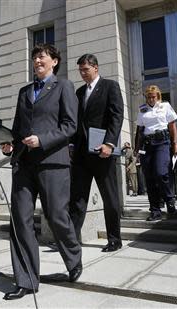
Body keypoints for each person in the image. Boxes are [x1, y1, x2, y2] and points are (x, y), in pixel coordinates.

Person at [1, 44, 82, 300]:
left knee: (56, 216)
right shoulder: (24, 91)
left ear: (54, 62)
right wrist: (9, 144)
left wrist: (43, 139)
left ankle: (73, 257)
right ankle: (26, 280)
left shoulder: (63, 87)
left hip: (52, 162)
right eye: (35, 57)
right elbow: (17, 127)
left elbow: (70, 126)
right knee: (20, 220)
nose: (37, 60)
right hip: (24, 163)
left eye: (42, 57)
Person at [69, 53, 124, 253]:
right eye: (80, 70)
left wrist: (109, 143)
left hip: (103, 153)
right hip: (82, 155)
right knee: (77, 198)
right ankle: (71, 241)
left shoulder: (110, 87)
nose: (83, 74)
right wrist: (72, 146)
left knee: (109, 197)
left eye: (85, 69)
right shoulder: (79, 92)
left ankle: (114, 239)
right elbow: (76, 122)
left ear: (96, 68)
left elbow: (117, 116)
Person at [134, 85, 177, 221]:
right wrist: (136, 148)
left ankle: (169, 198)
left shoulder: (165, 106)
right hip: (147, 145)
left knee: (161, 172)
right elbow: (139, 131)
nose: (151, 99)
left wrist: (175, 143)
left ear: (158, 96)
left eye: (153, 97)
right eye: (149, 97)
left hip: (162, 143)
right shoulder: (142, 110)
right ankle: (155, 210)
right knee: (149, 177)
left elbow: (172, 127)